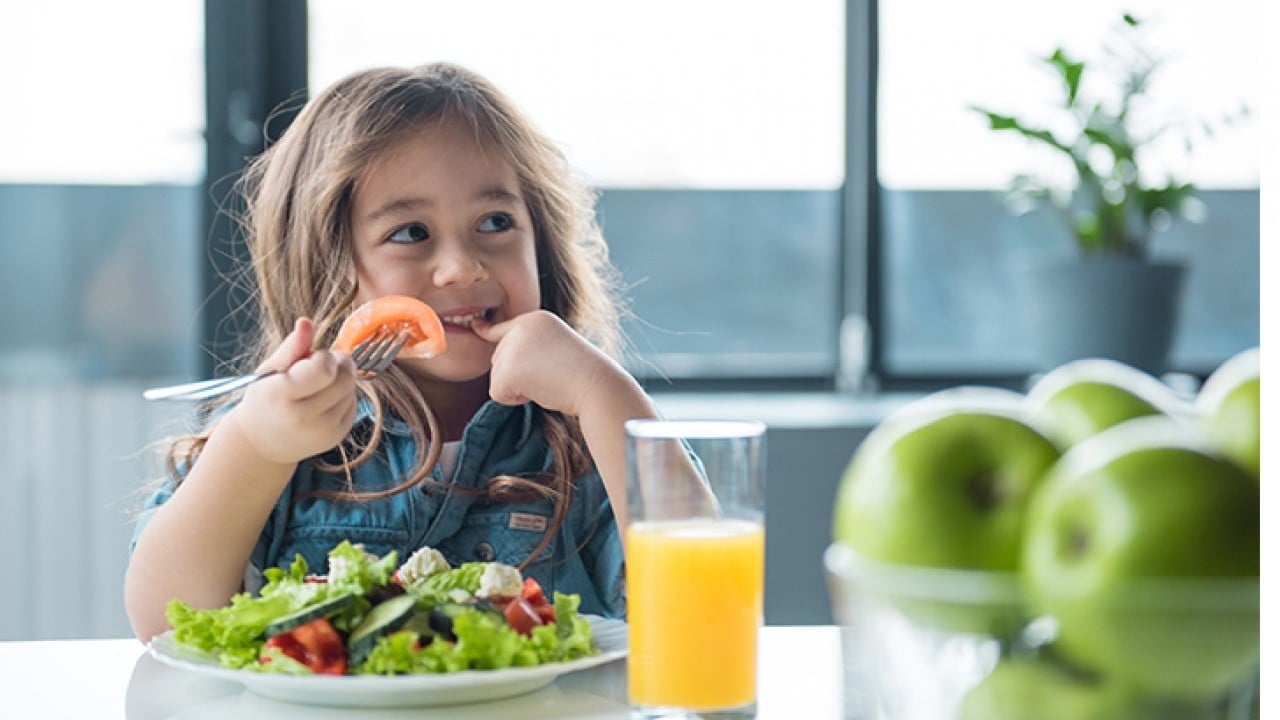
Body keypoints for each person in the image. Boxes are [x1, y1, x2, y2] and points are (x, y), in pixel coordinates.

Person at [124, 62, 677, 642]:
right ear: (323, 266)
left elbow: (698, 610)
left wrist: (604, 395)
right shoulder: (277, 434)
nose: (463, 267)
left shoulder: (582, 437)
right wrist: (255, 447)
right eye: (411, 232)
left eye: (495, 222)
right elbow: (164, 621)